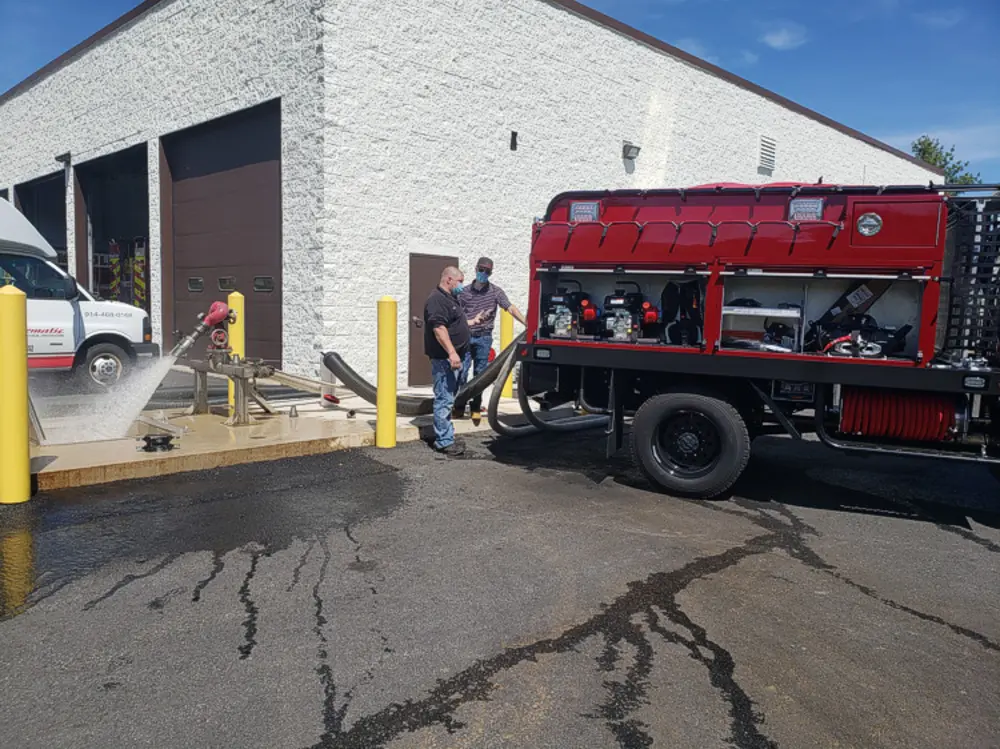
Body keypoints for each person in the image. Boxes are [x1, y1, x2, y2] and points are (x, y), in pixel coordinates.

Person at [456, 256, 527, 423]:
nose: (483, 273)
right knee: (462, 371)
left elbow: (509, 307)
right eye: (481, 269)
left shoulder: (495, 292)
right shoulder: (464, 292)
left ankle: (475, 407)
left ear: (491, 273)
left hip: (484, 338)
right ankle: (458, 405)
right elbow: (456, 314)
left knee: (481, 374)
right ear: (476, 269)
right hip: (466, 337)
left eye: (487, 271)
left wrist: (526, 323)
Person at [423, 266, 485, 455]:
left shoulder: (450, 298)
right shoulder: (436, 300)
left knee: (450, 396)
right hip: (445, 359)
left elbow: (454, 322)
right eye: (460, 281)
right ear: (449, 279)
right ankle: (444, 441)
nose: (462, 286)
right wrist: (451, 352)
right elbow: (439, 328)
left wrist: (472, 322)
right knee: (444, 398)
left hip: (458, 357)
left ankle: (446, 435)